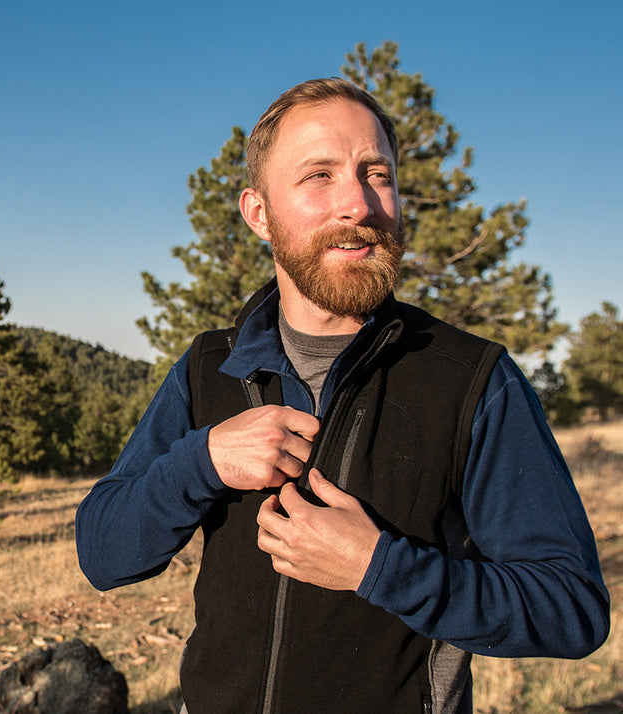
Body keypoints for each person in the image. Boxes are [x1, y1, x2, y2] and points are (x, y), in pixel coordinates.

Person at [74, 78, 609, 714]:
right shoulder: (209, 367)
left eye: (376, 174)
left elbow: (570, 607)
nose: (358, 203)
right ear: (259, 214)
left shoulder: (473, 379)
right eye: (319, 176)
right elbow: (102, 555)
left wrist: (380, 567)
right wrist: (202, 461)